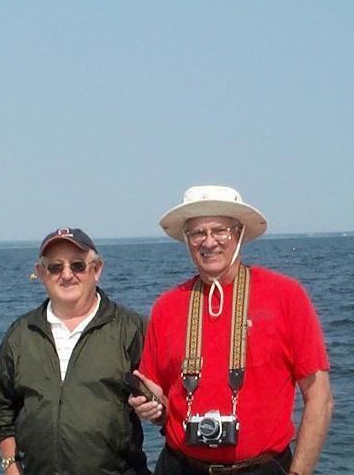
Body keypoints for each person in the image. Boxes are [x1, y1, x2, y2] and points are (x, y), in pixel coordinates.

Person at [129, 186, 333, 475]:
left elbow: (320, 398)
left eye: (220, 230)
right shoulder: (167, 306)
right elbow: (162, 400)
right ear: (186, 240)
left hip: (262, 467)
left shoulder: (286, 296)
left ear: (238, 234)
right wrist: (150, 406)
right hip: (180, 466)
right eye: (198, 233)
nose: (209, 242)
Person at [0, 227, 150, 474]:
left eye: (77, 265)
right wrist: (10, 465)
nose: (66, 275)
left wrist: (153, 404)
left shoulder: (131, 328)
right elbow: (1, 410)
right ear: (40, 273)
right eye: (55, 267)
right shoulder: (20, 334)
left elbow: (166, 398)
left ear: (97, 270)